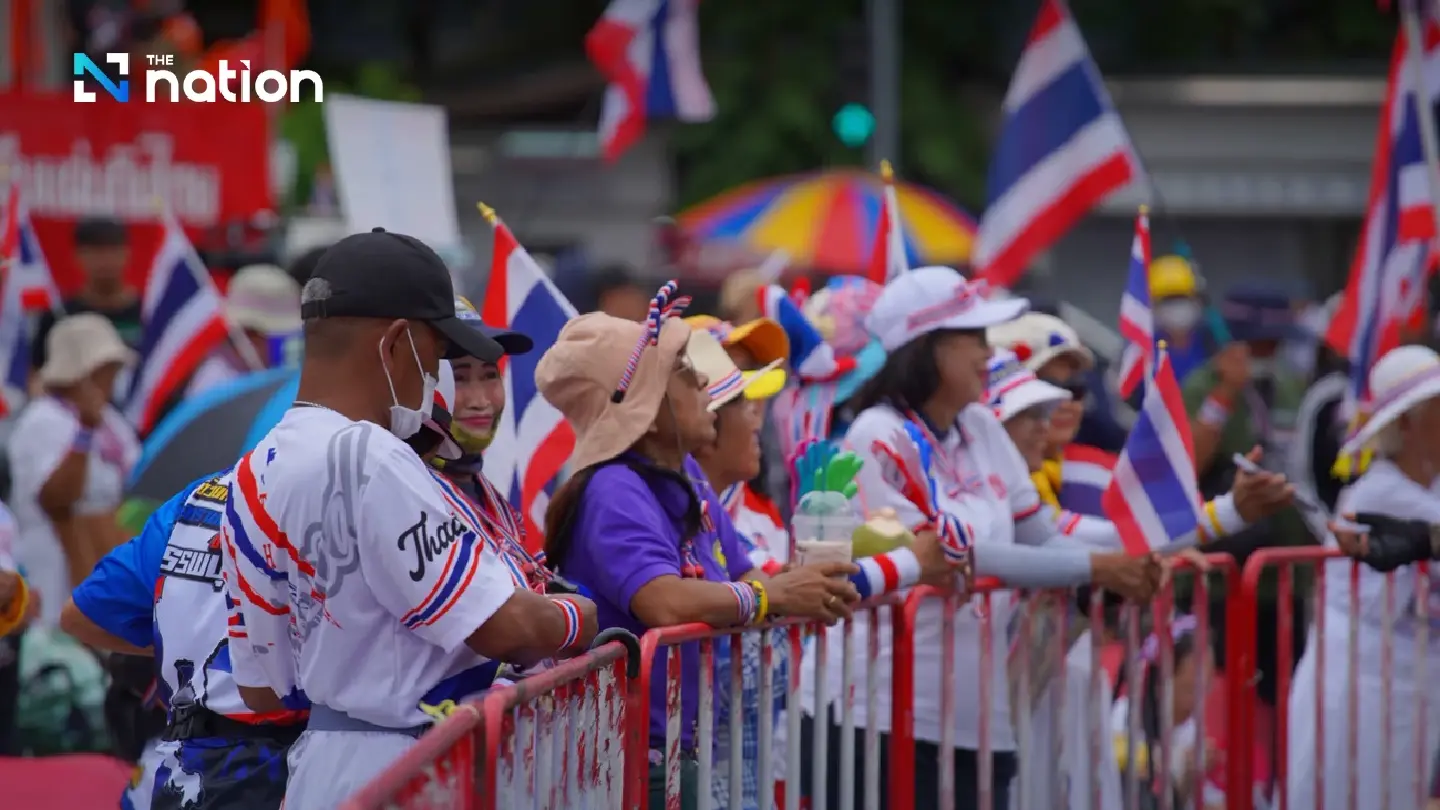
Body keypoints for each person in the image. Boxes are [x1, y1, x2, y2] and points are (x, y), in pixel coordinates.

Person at [535, 282, 966, 810]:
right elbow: (665, 601)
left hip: (677, 746)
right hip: (626, 759)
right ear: (645, 403)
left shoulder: (684, 475)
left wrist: (796, 590)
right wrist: (776, 596)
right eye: (685, 372)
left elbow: (749, 575)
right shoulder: (614, 488)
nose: (705, 383)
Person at [218, 228, 599, 810]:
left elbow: (262, 688)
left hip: (321, 767)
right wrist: (577, 617)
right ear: (396, 342)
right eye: (438, 355)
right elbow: (508, 628)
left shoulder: (251, 469)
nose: (435, 379)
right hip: (412, 765)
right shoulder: (374, 456)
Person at [799, 266, 1163, 810]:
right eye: (973, 336)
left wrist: (1156, 546)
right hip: (877, 713)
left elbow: (1040, 536)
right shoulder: (877, 434)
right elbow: (957, 556)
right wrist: (1101, 569)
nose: (987, 352)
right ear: (928, 347)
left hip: (977, 720)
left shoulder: (981, 426)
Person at [60, 469, 308, 810]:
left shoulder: (197, 499)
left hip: (183, 768)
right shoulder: (337, 499)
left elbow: (80, 616)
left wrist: (183, 644)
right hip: (288, 768)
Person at [1286, 344, 1440, 810]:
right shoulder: (1379, 494)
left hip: (1413, 680)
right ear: (1408, 423)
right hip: (1360, 681)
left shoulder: (1430, 488)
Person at [7, 313, 139, 629]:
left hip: (103, 566)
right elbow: (56, 499)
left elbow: (136, 477)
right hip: (55, 572)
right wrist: (84, 434)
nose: (113, 377)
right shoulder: (40, 421)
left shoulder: (112, 422)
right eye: (107, 369)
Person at [1110, 616, 1220, 810]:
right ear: (1161, 684)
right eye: (1190, 690)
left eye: (1206, 687)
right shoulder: (1123, 719)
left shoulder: (1191, 729)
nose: (1200, 701)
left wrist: (1190, 775)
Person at [33, 217, 141, 370]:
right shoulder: (59, 315)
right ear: (77, 255)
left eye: (113, 250)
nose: (106, 260)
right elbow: (36, 373)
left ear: (127, 253)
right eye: (97, 252)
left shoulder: (149, 312)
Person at [185, 264, 302, 398]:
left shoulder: (249, 370)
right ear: (250, 334)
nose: (282, 345)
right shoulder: (217, 383)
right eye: (274, 338)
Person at [1148, 255, 1219, 385]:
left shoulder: (1210, 340)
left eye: (1182, 298)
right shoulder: (1147, 351)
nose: (1177, 307)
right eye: (1168, 300)